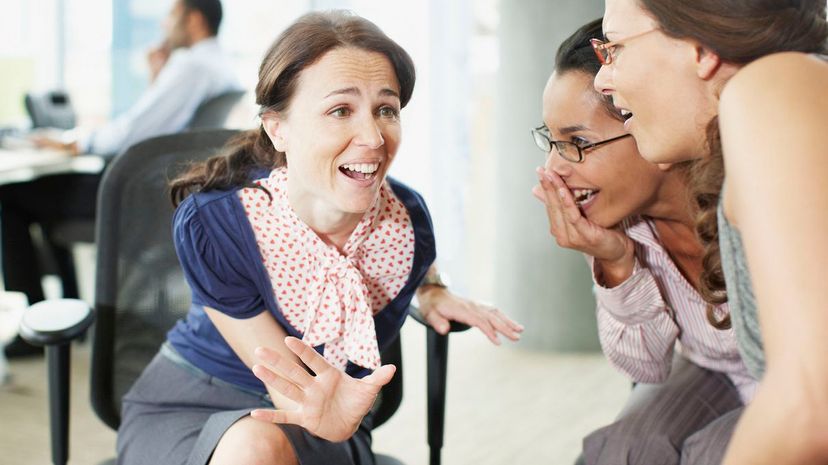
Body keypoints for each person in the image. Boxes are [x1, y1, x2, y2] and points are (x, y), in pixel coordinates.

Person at [116, 11, 523, 465]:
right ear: (278, 128)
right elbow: (288, 385)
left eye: (385, 109)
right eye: (340, 110)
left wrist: (430, 287)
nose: (373, 137)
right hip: (197, 398)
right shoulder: (217, 223)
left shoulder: (408, 224)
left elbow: (383, 250)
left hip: (326, 417)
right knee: (253, 447)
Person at [592, 0, 828, 463]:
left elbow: (809, 408)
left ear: (700, 47)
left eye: (615, 48)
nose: (602, 78)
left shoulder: (773, 86)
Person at [532, 19, 756, 465]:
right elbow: (644, 368)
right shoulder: (619, 224)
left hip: (797, 376)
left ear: (648, 123)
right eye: (551, 142)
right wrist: (616, 264)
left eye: (577, 142)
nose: (554, 170)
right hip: (712, 369)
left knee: (713, 454)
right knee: (622, 451)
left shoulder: (750, 195)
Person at [2, 0, 240, 358]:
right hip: (161, 194)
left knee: (9, 196)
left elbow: (132, 133)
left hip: (131, 197)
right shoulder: (219, 65)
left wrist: (74, 140)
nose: (165, 24)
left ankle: (35, 334)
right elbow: (161, 128)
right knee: (42, 195)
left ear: (193, 19)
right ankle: (63, 316)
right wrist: (156, 79)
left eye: (171, 15)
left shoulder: (191, 64)